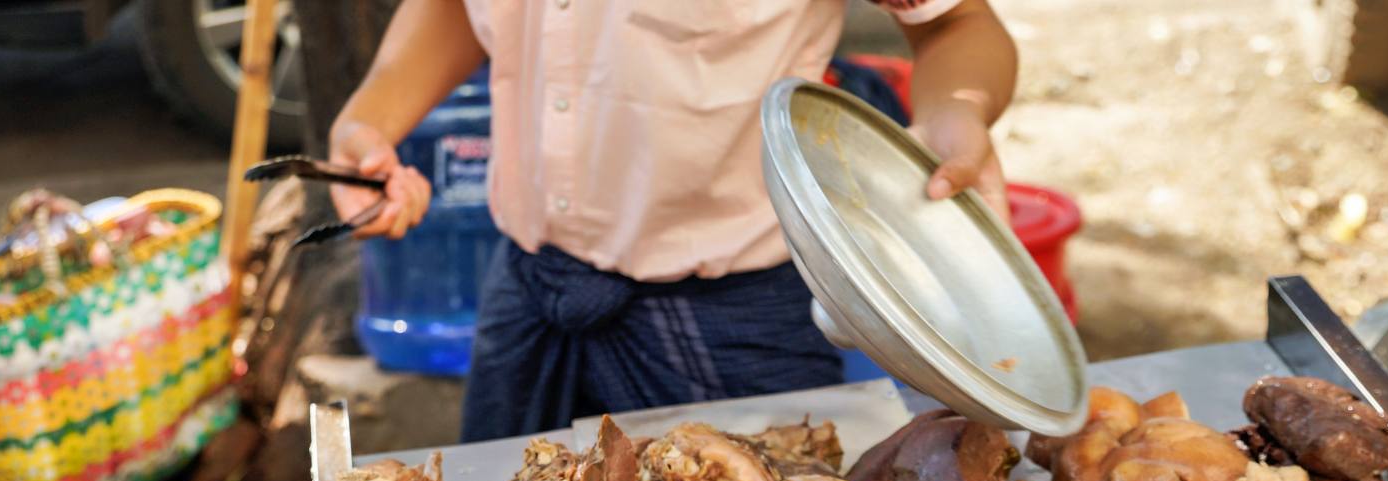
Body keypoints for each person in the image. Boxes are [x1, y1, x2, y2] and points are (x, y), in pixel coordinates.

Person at [326, 0, 1018, 442]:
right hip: (531, 293)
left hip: (735, 319)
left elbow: (954, 23)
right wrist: (371, 119)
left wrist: (954, 111)